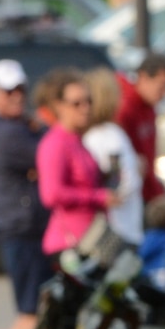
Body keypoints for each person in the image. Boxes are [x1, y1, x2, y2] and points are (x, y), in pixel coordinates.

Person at [0, 58, 49, 329]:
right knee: (30, 312)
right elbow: (47, 157)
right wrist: (42, 129)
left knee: (42, 310)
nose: (17, 96)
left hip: (25, 226)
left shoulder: (12, 127)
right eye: (9, 91)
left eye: (21, 89)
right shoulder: (8, 133)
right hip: (22, 229)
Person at [36, 68, 113, 262]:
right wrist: (98, 197)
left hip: (92, 239)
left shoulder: (77, 140)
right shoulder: (55, 143)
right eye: (76, 103)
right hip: (69, 244)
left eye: (88, 101)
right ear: (59, 106)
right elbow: (51, 194)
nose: (85, 108)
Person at [82, 68, 145, 250]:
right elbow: (123, 182)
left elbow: (119, 182)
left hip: (114, 231)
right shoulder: (110, 136)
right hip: (121, 230)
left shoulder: (101, 136)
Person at [117, 51, 165, 206]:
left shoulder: (149, 108)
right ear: (143, 77)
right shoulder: (125, 109)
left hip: (148, 191)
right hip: (132, 195)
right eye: (161, 86)